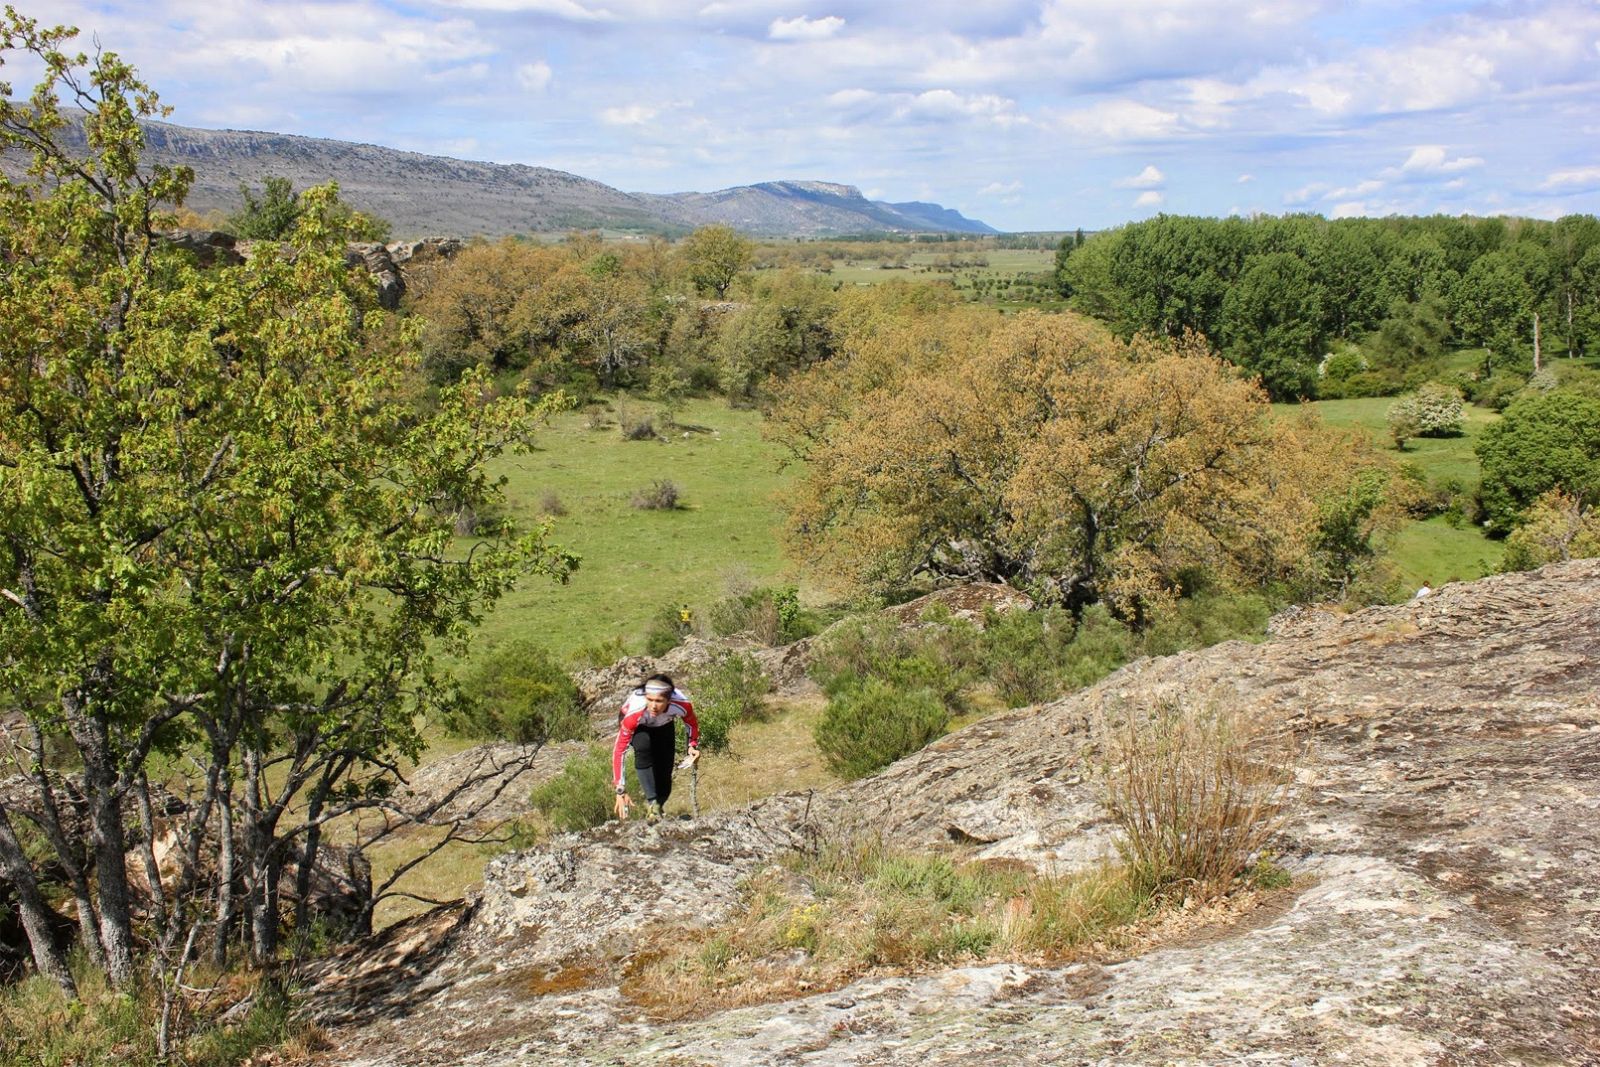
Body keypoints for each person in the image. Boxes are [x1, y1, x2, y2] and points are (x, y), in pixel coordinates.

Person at [612, 673, 698, 821]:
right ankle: (652, 804)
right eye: (650, 700)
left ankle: (658, 806)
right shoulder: (635, 710)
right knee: (643, 746)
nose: (653, 705)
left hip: (664, 725)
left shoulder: (682, 703)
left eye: (659, 701)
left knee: (665, 775)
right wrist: (620, 789)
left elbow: (691, 723)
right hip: (640, 726)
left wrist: (692, 745)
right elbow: (619, 750)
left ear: (669, 700)